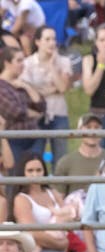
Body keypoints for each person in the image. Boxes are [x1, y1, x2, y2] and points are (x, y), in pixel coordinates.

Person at [20, 26, 71, 167]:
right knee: (35, 156)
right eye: (47, 39)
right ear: (37, 42)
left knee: (60, 158)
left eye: (54, 39)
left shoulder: (64, 61)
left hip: (59, 113)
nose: (52, 43)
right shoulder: (27, 63)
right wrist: (51, 90)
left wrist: (52, 66)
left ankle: (59, 188)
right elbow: (27, 91)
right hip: (36, 115)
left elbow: (62, 87)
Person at [0, 46, 45, 164]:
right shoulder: (1, 86)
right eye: (19, 61)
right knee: (16, 177)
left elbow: (41, 106)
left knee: (37, 177)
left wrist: (27, 88)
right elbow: (14, 111)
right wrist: (33, 113)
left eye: (23, 60)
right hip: (14, 140)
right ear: (7, 63)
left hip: (34, 138)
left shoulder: (22, 84)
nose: (23, 64)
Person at [53, 113, 105, 197]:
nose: (92, 132)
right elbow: (58, 197)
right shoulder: (66, 162)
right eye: (88, 127)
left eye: (96, 127)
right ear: (79, 131)